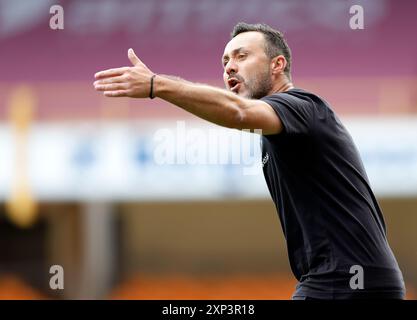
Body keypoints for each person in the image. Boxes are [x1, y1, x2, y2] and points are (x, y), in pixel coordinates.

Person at [94, 22, 405, 300]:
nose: (230, 67)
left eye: (242, 56)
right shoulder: (281, 125)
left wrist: (156, 84)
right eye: (225, 61)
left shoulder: (303, 106)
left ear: (277, 65)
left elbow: (237, 112)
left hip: (347, 282)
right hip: (346, 280)